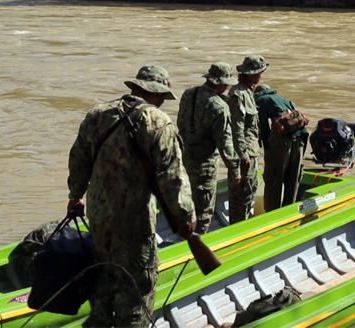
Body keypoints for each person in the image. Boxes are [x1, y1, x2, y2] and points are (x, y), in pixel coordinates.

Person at [66, 65, 196, 327]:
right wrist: (186, 217)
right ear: (157, 94)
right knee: (138, 291)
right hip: (135, 222)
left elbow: (79, 161)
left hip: (99, 217)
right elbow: (173, 176)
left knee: (103, 281)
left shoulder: (97, 115)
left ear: (135, 88)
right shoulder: (159, 122)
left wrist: (75, 195)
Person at [178, 62, 242, 234]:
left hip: (184, 158)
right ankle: (197, 247)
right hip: (205, 164)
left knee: (185, 204)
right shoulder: (219, 107)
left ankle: (182, 239)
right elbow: (225, 142)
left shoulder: (188, 94)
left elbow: (181, 124)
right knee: (203, 212)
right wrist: (234, 169)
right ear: (221, 83)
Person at [254, 84, 310, 212]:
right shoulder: (285, 100)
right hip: (301, 139)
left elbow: (263, 127)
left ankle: (272, 215)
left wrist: (266, 148)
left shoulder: (261, 100)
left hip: (281, 143)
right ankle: (289, 212)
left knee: (274, 178)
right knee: (293, 178)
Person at [227, 54, 269, 224]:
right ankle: (237, 232)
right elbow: (236, 129)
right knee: (241, 198)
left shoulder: (248, 92)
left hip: (251, 153)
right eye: (259, 72)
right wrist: (243, 155)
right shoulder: (238, 95)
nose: (261, 76)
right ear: (249, 74)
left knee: (249, 194)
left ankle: (245, 227)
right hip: (244, 156)